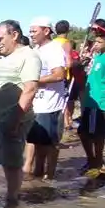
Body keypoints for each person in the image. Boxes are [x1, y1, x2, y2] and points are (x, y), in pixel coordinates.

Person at [0, 20, 40, 204]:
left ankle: (12, 202)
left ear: (14, 35)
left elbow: (30, 89)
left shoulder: (28, 56)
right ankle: (11, 200)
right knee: (5, 161)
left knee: (12, 162)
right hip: (0, 118)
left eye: (0, 38)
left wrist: (15, 119)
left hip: (14, 118)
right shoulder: (3, 58)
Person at [26, 16, 67, 180]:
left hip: (50, 105)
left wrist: (34, 81)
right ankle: (38, 175)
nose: (31, 34)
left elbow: (59, 75)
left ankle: (49, 177)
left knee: (50, 144)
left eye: (34, 31)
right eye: (30, 31)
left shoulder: (54, 49)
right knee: (37, 143)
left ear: (46, 31)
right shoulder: (36, 50)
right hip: (36, 104)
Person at [79, 27, 105, 169]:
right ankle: (92, 159)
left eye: (99, 42)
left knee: (96, 135)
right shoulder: (97, 57)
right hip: (90, 101)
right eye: (95, 41)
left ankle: (97, 160)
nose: (95, 44)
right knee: (84, 133)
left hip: (100, 102)